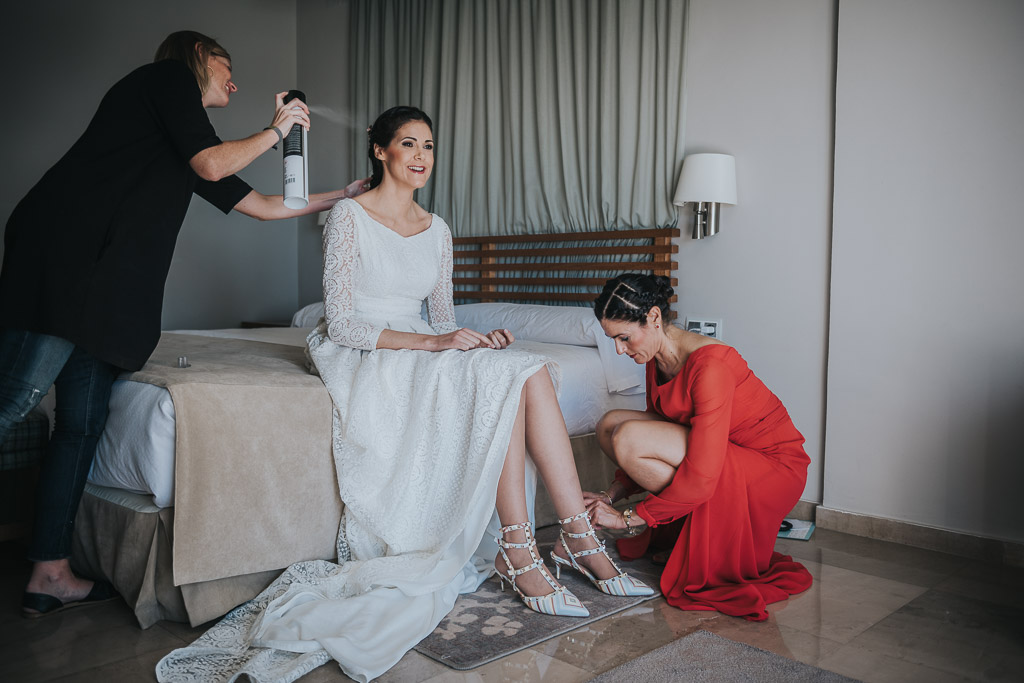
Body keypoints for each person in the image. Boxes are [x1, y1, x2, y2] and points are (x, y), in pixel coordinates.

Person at [156, 105, 653, 683]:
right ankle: (521, 552)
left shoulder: (437, 228)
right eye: (410, 144)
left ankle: (573, 537)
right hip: (364, 350)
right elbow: (340, 324)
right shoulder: (348, 215)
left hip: (423, 337)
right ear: (381, 151)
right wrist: (435, 343)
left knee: (524, 366)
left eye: (429, 146)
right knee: (499, 377)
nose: (421, 157)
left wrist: (474, 340)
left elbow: (442, 315)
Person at [0, 30, 368, 618]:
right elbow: (212, 160)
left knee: (80, 428)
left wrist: (345, 195)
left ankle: (50, 572)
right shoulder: (165, 82)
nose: (235, 80)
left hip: (108, 296)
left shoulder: (178, 139)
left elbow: (265, 205)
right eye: (227, 65)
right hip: (67, 267)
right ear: (198, 55)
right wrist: (277, 129)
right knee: (13, 398)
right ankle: (48, 568)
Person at [584, 273, 813, 622]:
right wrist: (613, 494)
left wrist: (628, 518)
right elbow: (663, 427)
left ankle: (683, 519)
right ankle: (684, 524)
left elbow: (702, 473)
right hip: (723, 454)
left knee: (629, 436)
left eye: (624, 337)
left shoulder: (711, 366)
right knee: (610, 425)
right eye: (612, 339)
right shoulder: (657, 357)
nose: (619, 349)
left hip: (771, 468)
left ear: (655, 318)